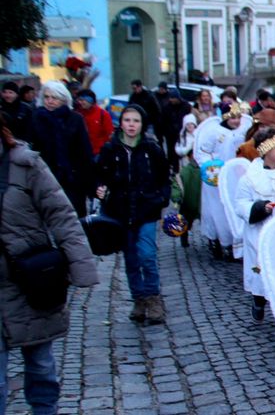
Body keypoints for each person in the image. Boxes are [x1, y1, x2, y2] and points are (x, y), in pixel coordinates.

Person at [0, 113, 99, 415]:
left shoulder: (24, 163)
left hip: (29, 281)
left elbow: (61, 215)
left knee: (40, 365)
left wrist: (81, 267)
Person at [95, 104, 170, 325]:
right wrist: (100, 189)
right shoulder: (111, 148)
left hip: (146, 210)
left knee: (147, 255)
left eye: (135, 121)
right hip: (120, 211)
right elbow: (100, 175)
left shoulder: (151, 148)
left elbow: (164, 177)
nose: (131, 125)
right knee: (131, 258)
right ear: (121, 122)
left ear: (142, 124)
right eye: (127, 120)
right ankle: (139, 299)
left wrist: (160, 198)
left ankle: (153, 297)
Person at [234, 127, 275, 322]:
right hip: (261, 231)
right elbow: (240, 204)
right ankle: (259, 300)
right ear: (265, 149)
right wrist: (260, 208)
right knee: (261, 268)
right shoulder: (250, 178)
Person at [29, 81, 93, 216]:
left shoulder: (75, 119)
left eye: (54, 98)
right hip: (45, 178)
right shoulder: (36, 118)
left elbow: (85, 152)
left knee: (73, 219)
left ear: (64, 99)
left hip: (72, 178)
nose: (50, 101)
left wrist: (87, 182)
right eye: (46, 97)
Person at [195, 101, 248, 260]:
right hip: (216, 181)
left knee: (233, 211)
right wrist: (211, 168)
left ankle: (235, 245)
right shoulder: (214, 133)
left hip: (236, 178)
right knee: (217, 212)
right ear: (225, 117)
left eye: (238, 117)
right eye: (232, 118)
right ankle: (216, 240)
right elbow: (203, 152)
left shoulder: (242, 132)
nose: (236, 121)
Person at [171, 115, 200, 249]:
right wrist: (177, 197)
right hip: (189, 200)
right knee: (186, 219)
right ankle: (184, 235)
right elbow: (178, 183)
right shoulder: (185, 172)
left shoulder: (205, 168)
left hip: (201, 200)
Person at [75, 89, 114, 158]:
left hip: (98, 153)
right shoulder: (77, 114)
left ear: (90, 100)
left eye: (82, 100)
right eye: (78, 100)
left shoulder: (103, 114)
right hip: (81, 153)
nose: (79, 102)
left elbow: (109, 135)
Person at [160, 91, 192, 172]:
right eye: (170, 98)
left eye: (173, 98)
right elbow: (163, 120)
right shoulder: (167, 108)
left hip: (183, 133)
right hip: (170, 134)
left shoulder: (186, 106)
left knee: (184, 151)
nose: (171, 100)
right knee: (172, 152)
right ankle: (175, 169)